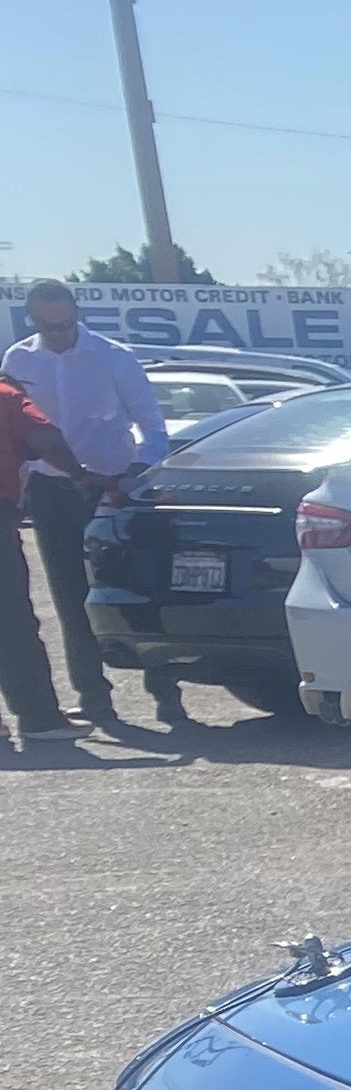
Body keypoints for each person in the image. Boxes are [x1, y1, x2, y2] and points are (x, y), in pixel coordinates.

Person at [4, 280, 174, 730]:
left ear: (77, 313)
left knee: (133, 588)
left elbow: (152, 427)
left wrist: (135, 472)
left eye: (65, 324)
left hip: (112, 487)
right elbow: (18, 433)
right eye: (48, 326)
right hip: (51, 491)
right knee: (69, 597)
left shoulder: (113, 357)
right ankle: (93, 697)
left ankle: (166, 692)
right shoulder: (18, 359)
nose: (59, 334)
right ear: (32, 320)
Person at [0, 371, 78, 744]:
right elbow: (46, 440)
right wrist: (80, 474)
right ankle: (39, 718)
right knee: (10, 621)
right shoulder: (6, 396)